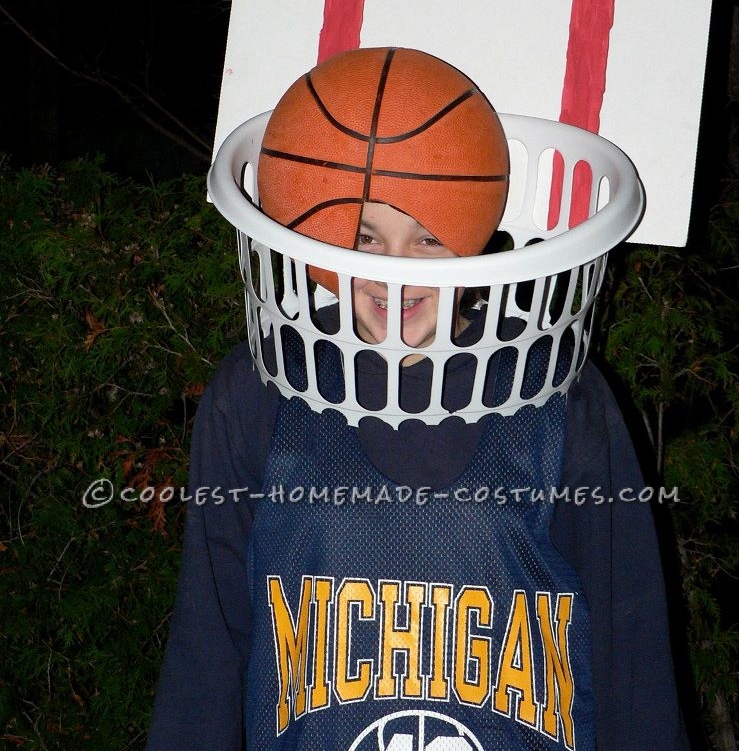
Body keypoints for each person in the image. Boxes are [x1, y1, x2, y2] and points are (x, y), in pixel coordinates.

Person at [147, 48, 689, 751]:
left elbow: (633, 652)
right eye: (365, 237)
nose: (391, 273)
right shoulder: (259, 391)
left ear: (477, 240)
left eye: (427, 240)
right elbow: (207, 649)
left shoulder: (559, 397)